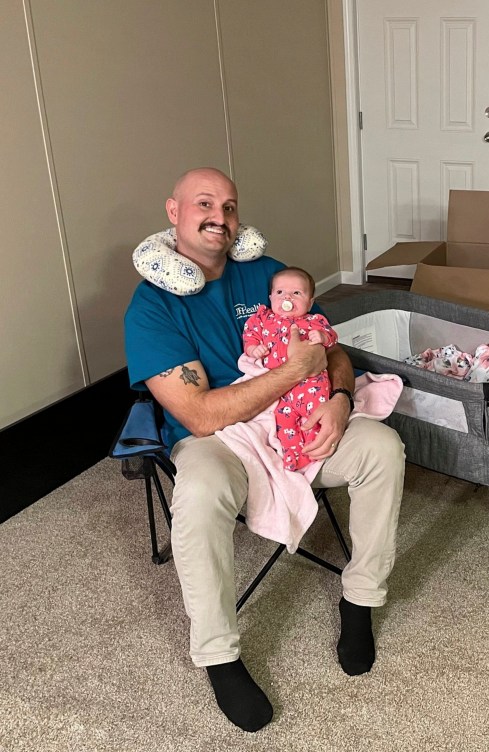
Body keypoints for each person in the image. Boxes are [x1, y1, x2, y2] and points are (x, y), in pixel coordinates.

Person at [124, 167, 405, 732]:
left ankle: (360, 599)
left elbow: (332, 348)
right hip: (219, 439)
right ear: (173, 212)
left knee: (382, 447)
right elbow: (200, 414)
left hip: (301, 422)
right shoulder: (151, 309)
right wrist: (295, 371)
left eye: (229, 207)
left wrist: (343, 398)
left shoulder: (269, 275)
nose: (219, 217)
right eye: (204, 204)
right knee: (200, 491)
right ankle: (219, 654)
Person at [242, 266, 339, 471]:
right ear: (270, 297)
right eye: (280, 292)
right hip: (279, 388)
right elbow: (250, 335)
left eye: (296, 293)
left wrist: (321, 337)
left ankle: (314, 450)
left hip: (311, 383)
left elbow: (331, 337)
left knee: (314, 418)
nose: (287, 297)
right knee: (284, 424)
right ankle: (293, 455)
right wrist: (253, 349)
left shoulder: (314, 321)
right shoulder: (262, 319)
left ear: (310, 302)